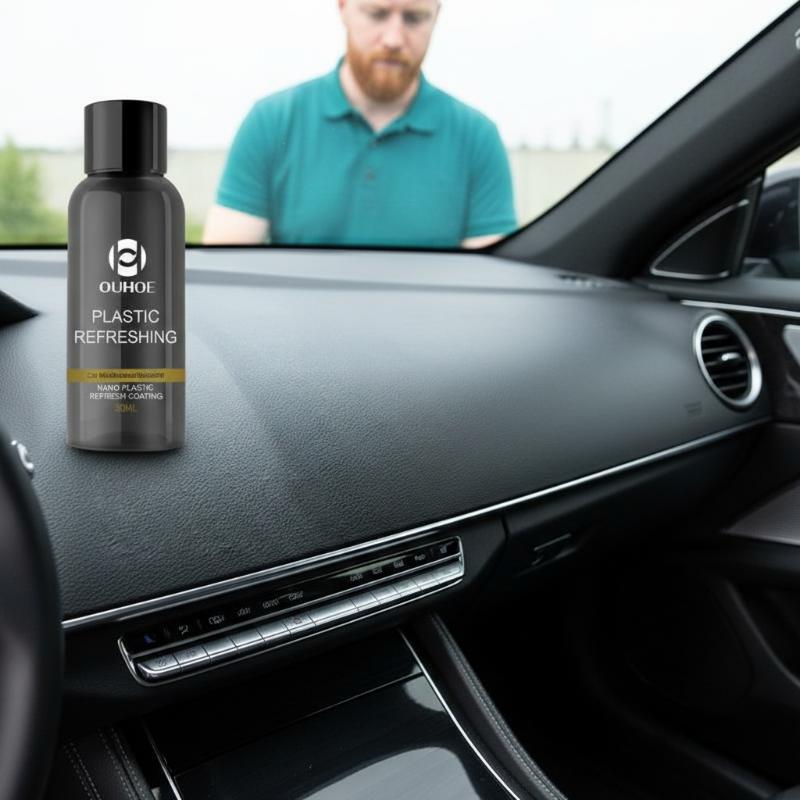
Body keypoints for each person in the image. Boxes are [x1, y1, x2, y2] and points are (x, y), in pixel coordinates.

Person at [203, 0, 516, 249]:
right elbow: (226, 271)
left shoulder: (478, 138)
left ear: (436, 17)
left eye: (414, 18)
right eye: (377, 14)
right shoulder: (271, 122)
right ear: (343, 8)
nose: (393, 39)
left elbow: (489, 286)